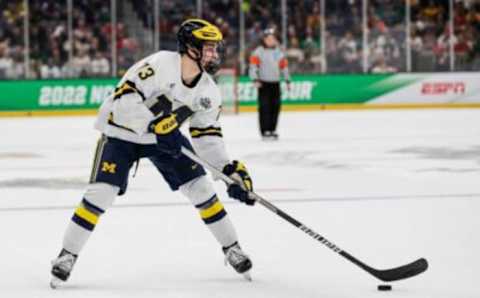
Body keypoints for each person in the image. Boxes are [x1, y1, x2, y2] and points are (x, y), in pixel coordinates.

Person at [50, 19, 256, 288]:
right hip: (122, 133)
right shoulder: (159, 64)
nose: (214, 55)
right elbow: (122, 99)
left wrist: (228, 171)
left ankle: (232, 247)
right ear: (190, 48)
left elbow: (207, 137)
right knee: (101, 193)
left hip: (164, 139)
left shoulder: (209, 92)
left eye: (215, 49)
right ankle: (67, 254)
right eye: (208, 48)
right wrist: (152, 123)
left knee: (202, 188)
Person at [249, 28, 290, 140]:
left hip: (275, 83)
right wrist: (255, 79)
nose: (271, 41)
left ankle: (272, 129)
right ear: (264, 40)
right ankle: (265, 131)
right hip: (263, 84)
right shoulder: (258, 52)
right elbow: (253, 67)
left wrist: (287, 79)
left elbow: (284, 66)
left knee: (276, 107)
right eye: (269, 39)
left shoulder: (278, 52)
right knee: (264, 107)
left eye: (273, 39)